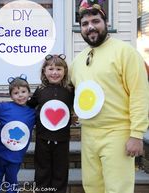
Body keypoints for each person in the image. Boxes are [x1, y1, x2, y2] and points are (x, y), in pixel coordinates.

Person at [69, 1, 149, 193]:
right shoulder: (78, 61)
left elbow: (139, 94)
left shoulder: (125, 52)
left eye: (95, 21)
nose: (90, 27)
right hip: (88, 133)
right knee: (92, 187)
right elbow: (74, 93)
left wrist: (136, 134)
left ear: (105, 22)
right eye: (85, 24)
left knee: (118, 189)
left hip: (117, 133)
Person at [28, 54, 74, 193]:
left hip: (62, 139)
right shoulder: (40, 90)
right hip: (43, 138)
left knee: (60, 171)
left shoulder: (70, 90)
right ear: (44, 71)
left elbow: (79, 106)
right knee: (42, 170)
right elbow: (30, 106)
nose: (55, 73)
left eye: (59, 69)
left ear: (65, 71)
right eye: (51, 69)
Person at [0, 74, 35, 193]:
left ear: (29, 93)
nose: (20, 95)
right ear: (11, 96)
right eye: (16, 93)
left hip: (16, 156)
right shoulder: (3, 107)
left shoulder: (32, 113)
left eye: (23, 91)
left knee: (12, 181)